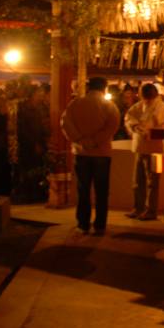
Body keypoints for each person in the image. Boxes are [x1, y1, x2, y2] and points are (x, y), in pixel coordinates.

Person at [61, 77, 119, 235]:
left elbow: (65, 123)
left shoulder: (75, 104)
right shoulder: (109, 105)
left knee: (83, 189)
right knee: (101, 190)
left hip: (81, 152)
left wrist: (80, 140)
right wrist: (95, 141)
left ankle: (83, 223)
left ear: (89, 87)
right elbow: (112, 127)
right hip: (102, 152)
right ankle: (100, 225)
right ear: (104, 88)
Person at [124, 83, 164, 220]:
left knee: (152, 182)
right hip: (140, 146)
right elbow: (129, 117)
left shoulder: (162, 107)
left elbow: (161, 125)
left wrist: (143, 128)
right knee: (138, 180)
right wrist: (135, 126)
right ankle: (138, 208)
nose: (145, 98)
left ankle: (151, 211)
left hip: (154, 148)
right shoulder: (139, 105)